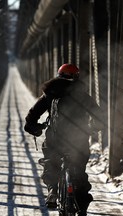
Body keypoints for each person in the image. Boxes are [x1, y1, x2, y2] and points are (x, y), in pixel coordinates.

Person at [24, 63, 104, 216]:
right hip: (78, 140)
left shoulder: (50, 93)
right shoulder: (83, 95)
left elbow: (33, 114)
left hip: (55, 139)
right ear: (76, 77)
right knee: (79, 172)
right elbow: (100, 117)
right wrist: (90, 129)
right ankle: (81, 207)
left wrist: (34, 127)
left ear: (59, 75)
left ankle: (53, 191)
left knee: (51, 163)